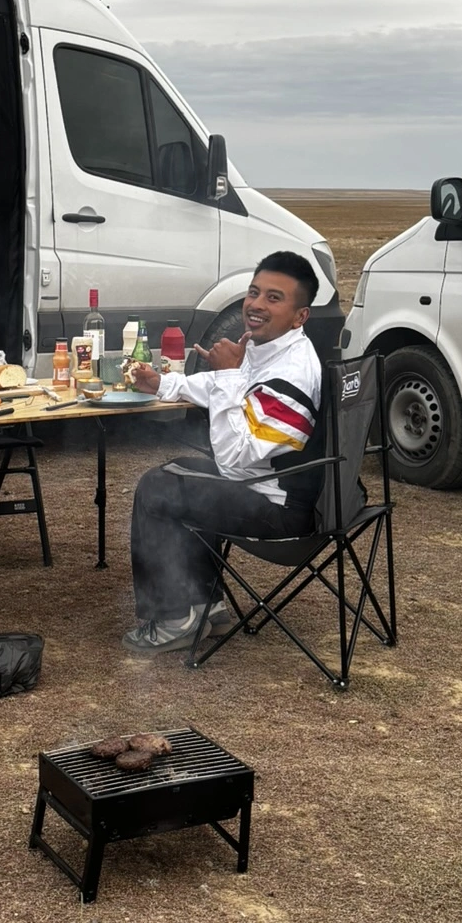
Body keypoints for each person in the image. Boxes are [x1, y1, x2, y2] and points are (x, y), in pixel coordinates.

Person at [122, 251, 322, 651]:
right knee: (179, 472)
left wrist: (229, 372)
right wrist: (163, 384)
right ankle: (206, 606)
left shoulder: (293, 376)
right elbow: (225, 389)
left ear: (300, 316)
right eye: (254, 292)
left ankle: (173, 619)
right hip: (263, 484)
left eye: (274, 298)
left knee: (159, 488)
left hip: (283, 513)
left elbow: (231, 459)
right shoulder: (273, 350)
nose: (257, 304)